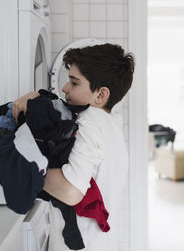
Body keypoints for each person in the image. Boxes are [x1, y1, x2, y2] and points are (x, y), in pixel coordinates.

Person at [12, 43, 135, 250]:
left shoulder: (90, 120)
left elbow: (71, 191)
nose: (64, 88)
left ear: (101, 95)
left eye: (74, 82)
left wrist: (23, 166)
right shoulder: (111, 122)